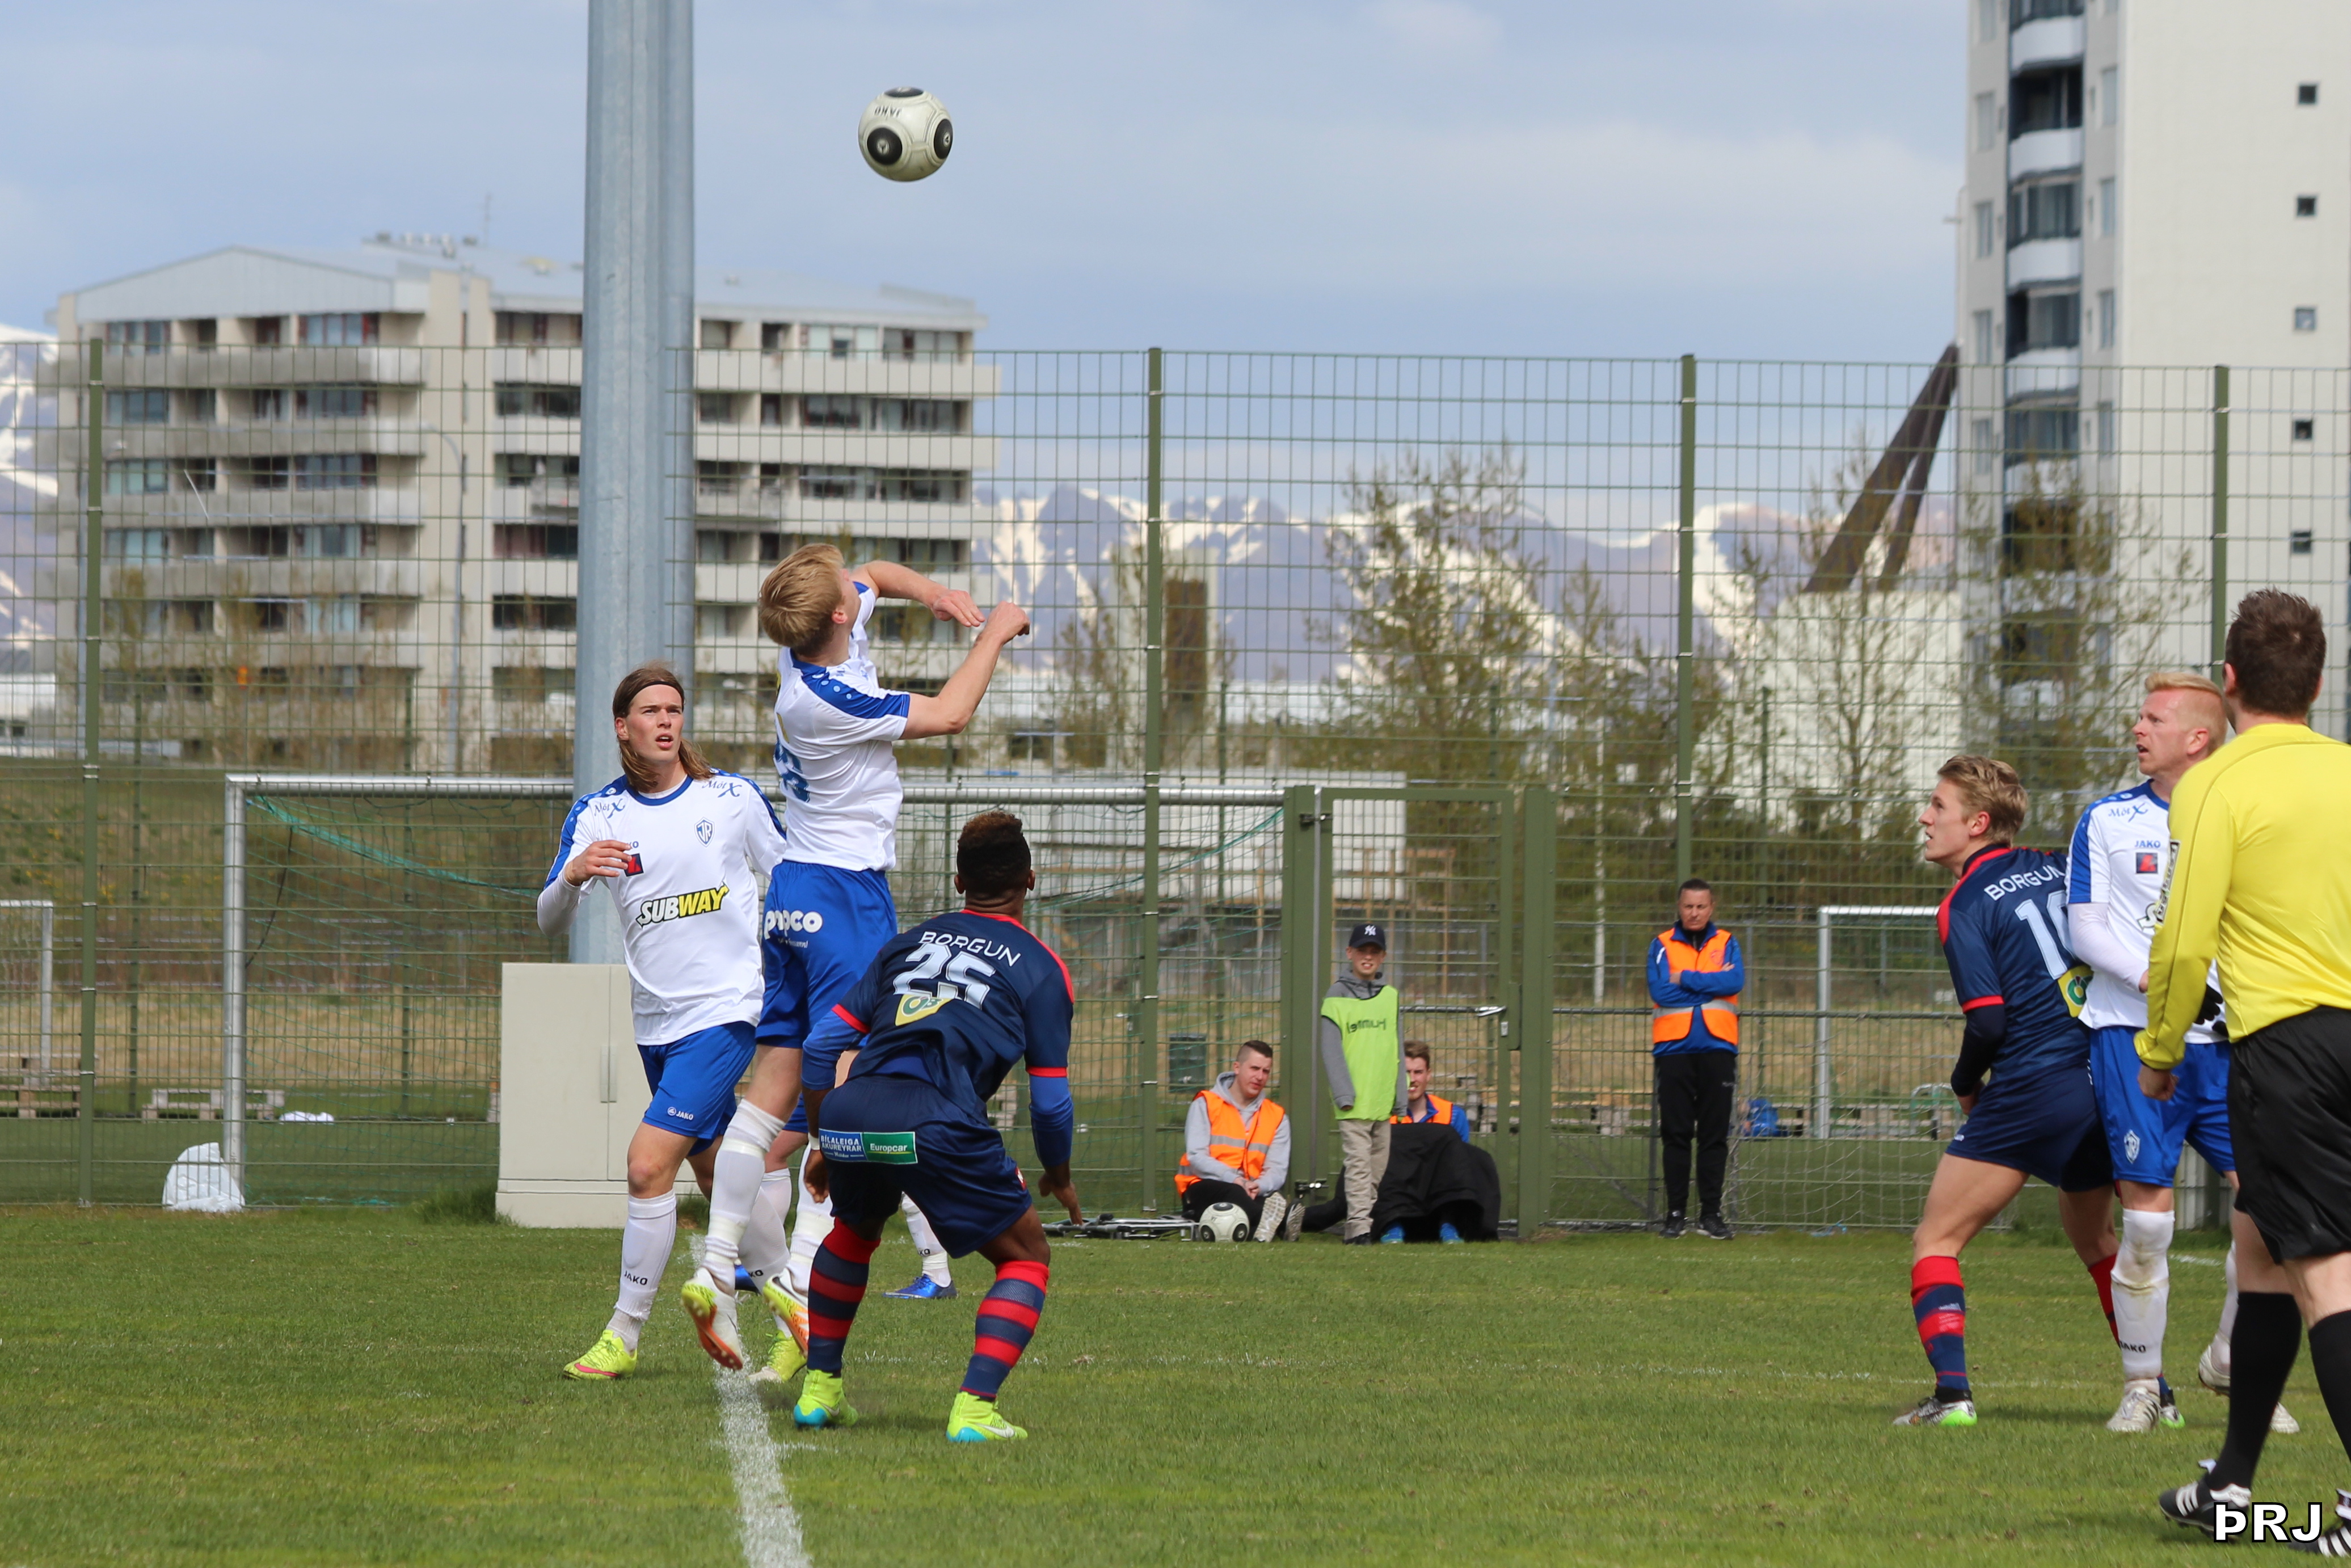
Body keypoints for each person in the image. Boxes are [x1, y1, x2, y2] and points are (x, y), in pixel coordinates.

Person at [682, 542, 1028, 1376]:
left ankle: (717, 1264)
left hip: (793, 890)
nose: (859, 585)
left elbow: (877, 571)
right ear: (839, 615)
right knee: (843, 1101)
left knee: (770, 1098)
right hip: (845, 897)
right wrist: (996, 631)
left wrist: (934, 592)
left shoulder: (816, 641)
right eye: (849, 589)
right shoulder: (831, 699)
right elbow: (951, 714)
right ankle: (801, 1281)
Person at [2143, 592, 2351, 1542]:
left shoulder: (2214, 784)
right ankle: (2231, 1484)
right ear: (2317, 683)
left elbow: (2185, 941)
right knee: (2259, 1246)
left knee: (2325, 1272)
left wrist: (2157, 1051)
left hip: (2288, 1044)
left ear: (2228, 682)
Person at [794, 811, 1083, 1443]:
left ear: (958, 882)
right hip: (936, 1118)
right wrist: (1059, 1174)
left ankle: (819, 1392)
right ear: (1030, 880)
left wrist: (820, 1142)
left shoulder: (906, 944)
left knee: (853, 1231)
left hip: (854, 1109)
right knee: (1027, 1257)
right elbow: (1051, 1104)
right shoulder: (1042, 969)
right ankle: (974, 1410)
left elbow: (820, 1049)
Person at [540, 664, 787, 1382]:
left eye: (674, 709)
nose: (666, 721)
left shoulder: (730, 798)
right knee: (714, 1171)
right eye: (650, 711)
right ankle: (798, 1312)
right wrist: (574, 876)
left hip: (726, 1012)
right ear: (623, 727)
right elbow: (549, 918)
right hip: (656, 1027)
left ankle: (623, 1334)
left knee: (648, 1165)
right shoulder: (599, 814)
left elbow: (791, 875)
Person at [2068, 672, 2296, 1435]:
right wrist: (2161, 981)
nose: (2137, 729)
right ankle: (2142, 1386)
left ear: (2198, 738)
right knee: (2147, 1226)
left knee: (2272, 1213)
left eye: (2154, 719)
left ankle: (2230, 1360)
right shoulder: (2106, 819)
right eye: (2139, 717)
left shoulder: (2245, 816)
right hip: (2131, 1039)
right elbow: (2085, 928)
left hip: (2234, 1044)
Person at [1895, 755, 2117, 1428]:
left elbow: (1988, 1021)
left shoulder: (1963, 902)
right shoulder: (2059, 865)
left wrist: (1964, 1084)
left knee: (1936, 1238)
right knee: (2097, 1241)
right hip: (2101, 1075)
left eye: (1938, 805)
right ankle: (2152, 1391)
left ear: (1977, 823)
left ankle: (1952, 1397)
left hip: (2031, 1084)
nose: (1925, 817)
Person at [1646, 879, 1743, 1241]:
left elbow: (1735, 982)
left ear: (1712, 907)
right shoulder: (1661, 944)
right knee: (1676, 1134)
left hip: (1718, 1049)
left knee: (1714, 1135)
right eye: (1689, 906)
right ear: (1679, 907)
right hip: (1674, 1050)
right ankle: (1675, 1215)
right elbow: (1660, 991)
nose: (1695, 913)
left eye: (1701, 906)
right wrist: (1710, 986)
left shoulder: (1727, 942)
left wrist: (1684, 977)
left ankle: (1711, 1215)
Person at [1320, 922, 1405, 1244]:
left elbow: (1397, 1048)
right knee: (1358, 1165)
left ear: (1383, 957)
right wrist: (1343, 1093)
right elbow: (1331, 1050)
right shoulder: (1336, 996)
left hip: (1382, 1100)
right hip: (1354, 1101)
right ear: (1349, 953)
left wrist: (1399, 1096)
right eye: (1362, 951)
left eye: (1374, 951)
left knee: (1376, 1169)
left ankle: (1361, 1222)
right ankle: (1359, 1229)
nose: (1367, 957)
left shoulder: (1391, 997)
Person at [1176, 1039, 1291, 1242]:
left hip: (1252, 1191)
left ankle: (1263, 1228)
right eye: (1255, 1069)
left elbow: (1277, 1170)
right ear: (1237, 1068)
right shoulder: (1206, 1103)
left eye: (1266, 1071)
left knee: (1250, 1202)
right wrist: (1235, 1179)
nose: (1260, 1077)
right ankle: (1280, 1222)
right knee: (1236, 1193)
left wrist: (1259, 1186)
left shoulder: (1277, 1116)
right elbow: (1197, 1157)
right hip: (1203, 1186)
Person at [1393, 1043, 1471, 1142]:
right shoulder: (1385, 1115)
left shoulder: (1453, 1115)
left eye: (1418, 1072)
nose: (1412, 1079)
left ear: (1428, 1074)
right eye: (1406, 1072)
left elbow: (1461, 1152)